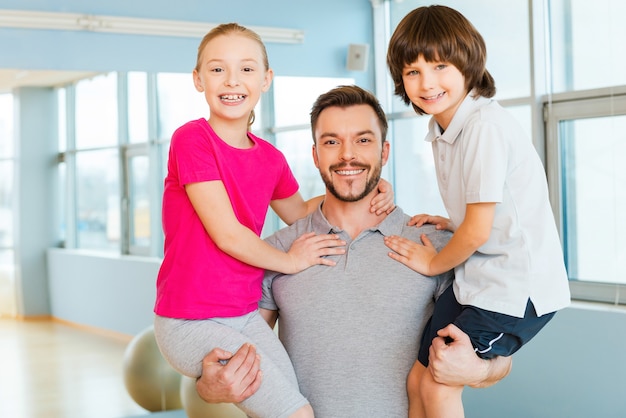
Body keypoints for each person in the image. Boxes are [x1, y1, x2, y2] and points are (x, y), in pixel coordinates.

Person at [195, 85, 513, 417]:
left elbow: (499, 356)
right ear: (316, 155)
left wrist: (478, 370)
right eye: (332, 142)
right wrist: (208, 386)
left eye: (363, 140)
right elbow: (237, 354)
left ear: (384, 152)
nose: (348, 155)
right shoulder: (276, 251)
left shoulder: (435, 247)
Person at [152, 24, 395, 418]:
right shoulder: (192, 140)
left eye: (247, 69)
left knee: (290, 409)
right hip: (189, 320)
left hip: (244, 316)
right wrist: (291, 261)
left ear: (266, 79)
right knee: (296, 414)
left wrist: (368, 183)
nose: (232, 81)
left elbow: (300, 212)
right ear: (198, 80)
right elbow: (227, 233)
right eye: (217, 70)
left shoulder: (270, 158)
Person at [384, 6, 571, 418]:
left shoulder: (484, 125)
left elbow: (478, 234)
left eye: (439, 66)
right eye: (412, 71)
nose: (426, 83)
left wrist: (432, 262)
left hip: (516, 288)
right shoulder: (442, 128)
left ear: (468, 64)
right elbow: (489, 212)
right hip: (481, 277)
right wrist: (453, 222)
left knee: (438, 385)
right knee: (417, 378)